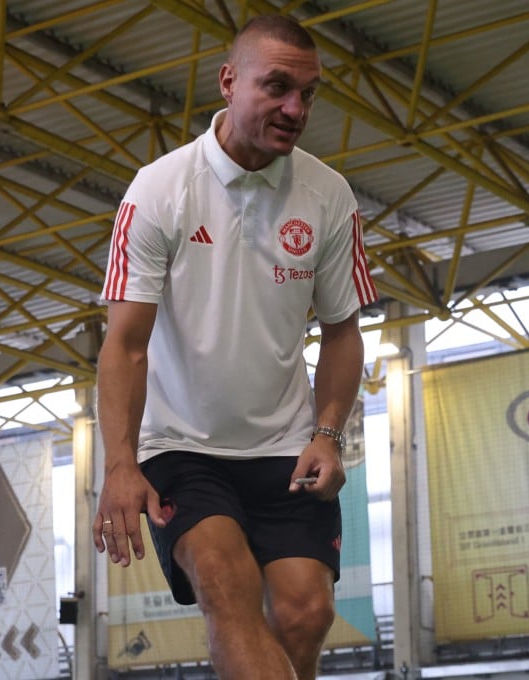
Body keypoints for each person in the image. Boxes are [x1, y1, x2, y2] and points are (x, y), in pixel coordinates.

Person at [92, 14, 377, 680]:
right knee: (224, 582)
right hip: (181, 446)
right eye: (276, 87)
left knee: (305, 614)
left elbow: (342, 332)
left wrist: (329, 434)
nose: (294, 108)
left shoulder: (328, 196)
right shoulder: (160, 190)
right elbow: (125, 345)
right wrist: (119, 464)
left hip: (284, 448)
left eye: (307, 94)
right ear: (227, 81)